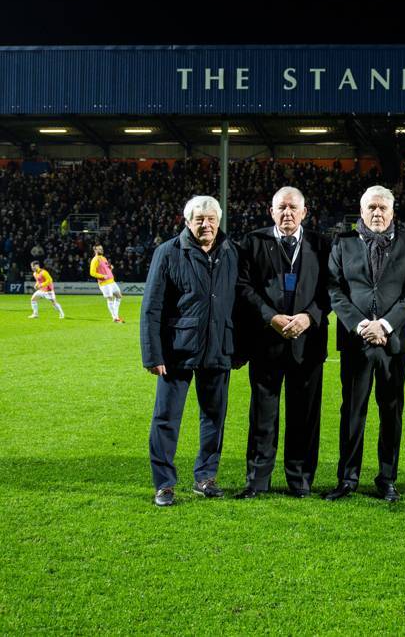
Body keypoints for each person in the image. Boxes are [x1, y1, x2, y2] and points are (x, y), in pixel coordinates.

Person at [140, 195, 239, 507]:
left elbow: (240, 304)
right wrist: (153, 355)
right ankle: (165, 484)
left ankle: (205, 478)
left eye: (211, 218)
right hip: (176, 352)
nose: (206, 224)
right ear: (187, 221)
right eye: (199, 219)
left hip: (219, 348)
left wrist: (237, 348)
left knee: (214, 417)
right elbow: (151, 307)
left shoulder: (231, 251)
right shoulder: (168, 252)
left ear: (219, 221)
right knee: (166, 419)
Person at [325, 185, 405, 503]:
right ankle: (348, 478)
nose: (377, 213)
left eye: (382, 208)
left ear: (392, 212)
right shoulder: (343, 242)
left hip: (393, 343)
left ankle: (387, 478)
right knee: (353, 411)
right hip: (357, 341)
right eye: (371, 208)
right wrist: (362, 324)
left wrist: (386, 324)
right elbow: (335, 289)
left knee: (391, 411)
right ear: (361, 211)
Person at [234, 187, 331, 499]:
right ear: (271, 211)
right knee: (262, 415)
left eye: (293, 208)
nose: (287, 213)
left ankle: (300, 480)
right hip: (266, 341)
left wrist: (309, 316)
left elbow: (333, 289)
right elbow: (243, 286)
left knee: (304, 416)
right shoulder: (252, 242)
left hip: (309, 342)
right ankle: (257, 480)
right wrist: (269, 316)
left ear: (304, 212)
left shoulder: (322, 244)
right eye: (281, 208)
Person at [90, 244, 124, 323]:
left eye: (101, 249)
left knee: (119, 296)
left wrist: (110, 267)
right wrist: (102, 276)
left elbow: (106, 267)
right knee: (110, 298)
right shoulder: (95, 260)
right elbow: (92, 273)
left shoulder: (103, 258)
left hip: (111, 281)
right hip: (104, 283)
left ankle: (116, 315)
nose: (101, 250)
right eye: (99, 249)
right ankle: (115, 318)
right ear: (95, 250)